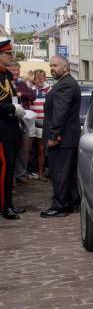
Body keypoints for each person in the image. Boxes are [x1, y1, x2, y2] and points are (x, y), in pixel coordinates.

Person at [40, 55, 82, 218]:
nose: (52, 69)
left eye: (55, 66)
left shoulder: (65, 86)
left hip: (62, 139)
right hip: (68, 139)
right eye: (51, 66)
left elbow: (60, 113)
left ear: (66, 67)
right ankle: (72, 203)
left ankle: (60, 206)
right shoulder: (68, 83)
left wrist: (53, 134)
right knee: (69, 174)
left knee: (60, 174)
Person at [0, 40, 27, 219]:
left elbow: (12, 97)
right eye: (8, 54)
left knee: (10, 169)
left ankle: (9, 203)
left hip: (11, 128)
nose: (11, 56)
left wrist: (18, 108)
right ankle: (4, 207)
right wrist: (12, 109)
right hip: (1, 130)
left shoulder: (7, 75)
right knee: (4, 169)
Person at [8, 61, 36, 184]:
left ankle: (21, 175)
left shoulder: (22, 84)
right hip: (9, 120)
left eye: (18, 70)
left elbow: (32, 95)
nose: (16, 72)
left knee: (24, 148)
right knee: (11, 149)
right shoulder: (6, 83)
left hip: (23, 119)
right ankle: (11, 176)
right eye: (14, 70)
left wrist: (22, 94)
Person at [30, 70, 50, 181]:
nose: (40, 80)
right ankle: (33, 171)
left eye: (42, 77)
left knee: (42, 150)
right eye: (38, 78)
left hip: (44, 124)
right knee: (34, 150)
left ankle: (41, 172)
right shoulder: (30, 91)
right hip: (33, 123)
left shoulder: (49, 90)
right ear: (34, 79)